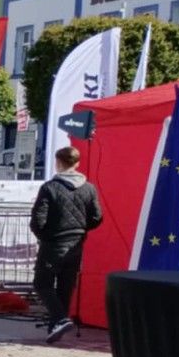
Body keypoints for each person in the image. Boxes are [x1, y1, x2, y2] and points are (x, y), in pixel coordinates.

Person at [31, 145, 103, 344]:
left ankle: (60, 319)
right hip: (77, 243)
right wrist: (81, 229)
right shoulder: (89, 188)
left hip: (54, 242)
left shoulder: (50, 188)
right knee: (65, 285)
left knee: (42, 283)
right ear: (77, 163)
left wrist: (45, 236)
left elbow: (38, 220)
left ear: (59, 163)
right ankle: (56, 326)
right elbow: (97, 217)